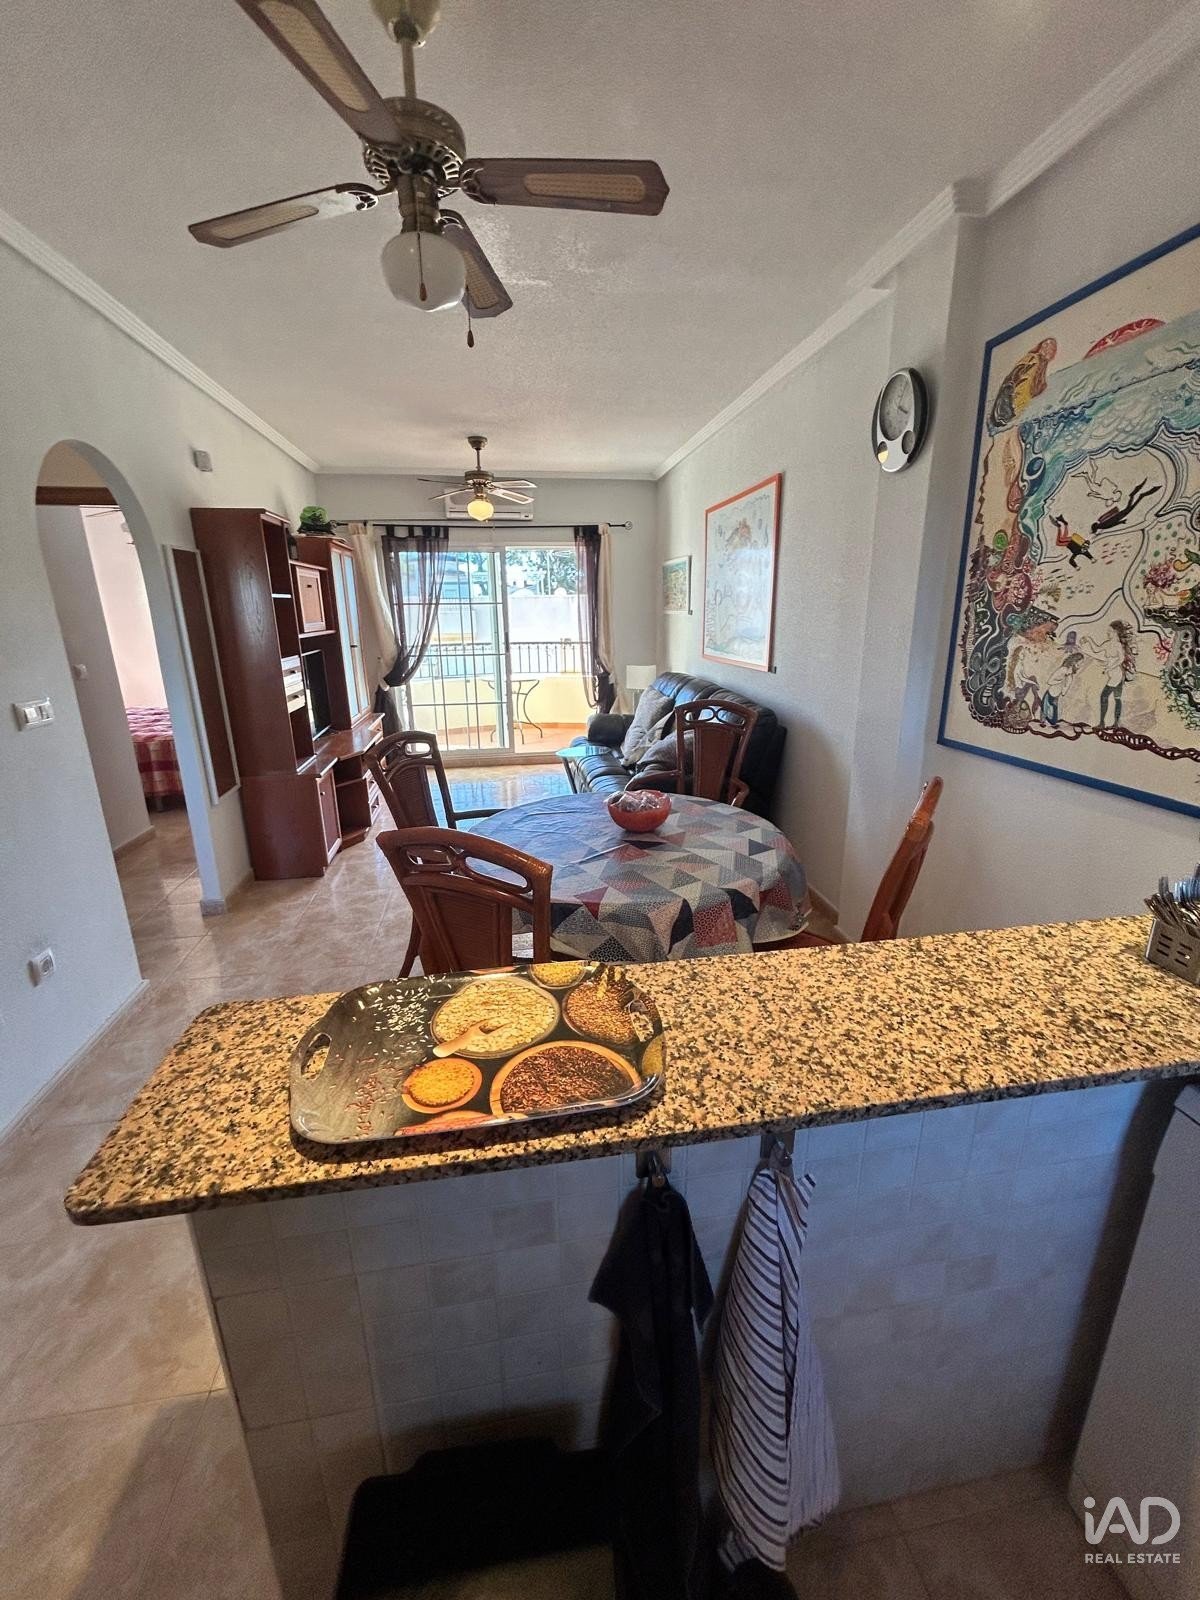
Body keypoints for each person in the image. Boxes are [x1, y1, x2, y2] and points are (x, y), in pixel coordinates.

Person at [1084, 620, 1136, 728]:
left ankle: (1103, 723)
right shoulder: (1107, 644)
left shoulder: (1117, 645)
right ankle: (1114, 723)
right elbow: (1096, 649)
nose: (1108, 633)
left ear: (1116, 632)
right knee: (1117, 698)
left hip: (1117, 674)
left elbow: (1121, 659)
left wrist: (1109, 668)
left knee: (1104, 696)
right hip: (1113, 674)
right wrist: (1089, 639)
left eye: (1110, 631)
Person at [1041, 651, 1084, 727]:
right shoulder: (1063, 669)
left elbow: (1064, 692)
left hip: (1056, 696)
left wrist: (1066, 684)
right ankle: (1045, 723)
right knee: (1047, 713)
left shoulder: (1070, 676)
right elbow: (1049, 681)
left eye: (1081, 663)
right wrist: (1061, 680)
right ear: (1074, 662)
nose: (1081, 665)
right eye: (1080, 663)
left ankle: (1049, 723)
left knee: (1054, 719)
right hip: (1050, 693)